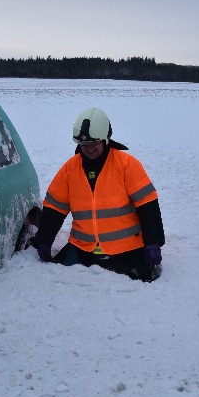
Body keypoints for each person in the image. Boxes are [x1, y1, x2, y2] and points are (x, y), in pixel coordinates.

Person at [33, 107, 165, 282]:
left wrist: (153, 242)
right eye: (84, 144)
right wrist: (44, 240)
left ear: (106, 139)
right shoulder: (70, 169)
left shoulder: (126, 165)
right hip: (82, 249)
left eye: (94, 143)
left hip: (125, 250)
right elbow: (54, 208)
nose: (89, 148)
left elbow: (147, 204)